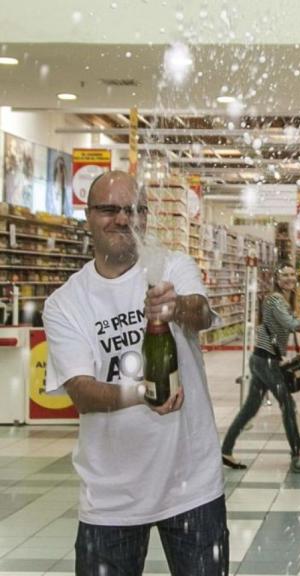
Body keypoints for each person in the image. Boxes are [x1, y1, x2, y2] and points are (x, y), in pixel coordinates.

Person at [42, 170, 228, 576]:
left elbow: (199, 313)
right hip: (110, 498)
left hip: (192, 485)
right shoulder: (65, 303)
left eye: (132, 210)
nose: (122, 220)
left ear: (145, 216)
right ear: (88, 215)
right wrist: (144, 393)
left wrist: (175, 307)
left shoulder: (171, 266)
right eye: (109, 209)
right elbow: (82, 393)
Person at [221, 265, 300, 473]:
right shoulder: (274, 299)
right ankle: (298, 455)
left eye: (291, 275)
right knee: (288, 405)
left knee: (250, 409)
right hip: (266, 361)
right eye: (284, 275)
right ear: (277, 279)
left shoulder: (283, 299)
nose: (289, 278)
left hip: (262, 359)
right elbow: (289, 323)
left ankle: (225, 449)